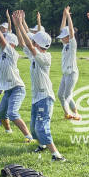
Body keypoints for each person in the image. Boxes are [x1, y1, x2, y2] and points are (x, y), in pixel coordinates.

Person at [11, 10, 65, 161]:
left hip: (45, 97)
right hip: (37, 97)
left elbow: (28, 43)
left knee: (41, 127)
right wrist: (18, 25)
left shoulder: (44, 57)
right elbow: (23, 42)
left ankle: (56, 155)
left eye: (34, 41)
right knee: (34, 129)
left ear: (37, 44)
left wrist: (21, 24)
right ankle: (42, 145)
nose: (31, 42)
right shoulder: (35, 54)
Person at [0, 7, 34, 142]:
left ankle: (28, 136)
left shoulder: (12, 53)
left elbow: (0, 37)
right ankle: (8, 130)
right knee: (1, 114)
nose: (0, 42)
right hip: (8, 90)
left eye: (5, 40)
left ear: (11, 43)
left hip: (17, 89)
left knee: (12, 113)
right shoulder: (1, 52)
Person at [56, 6, 81, 120]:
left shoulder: (72, 44)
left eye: (63, 37)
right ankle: (68, 113)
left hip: (72, 73)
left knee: (67, 95)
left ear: (68, 37)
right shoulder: (65, 44)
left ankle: (75, 114)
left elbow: (70, 31)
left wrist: (69, 17)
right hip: (65, 74)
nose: (61, 38)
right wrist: (64, 16)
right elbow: (63, 28)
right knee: (60, 95)